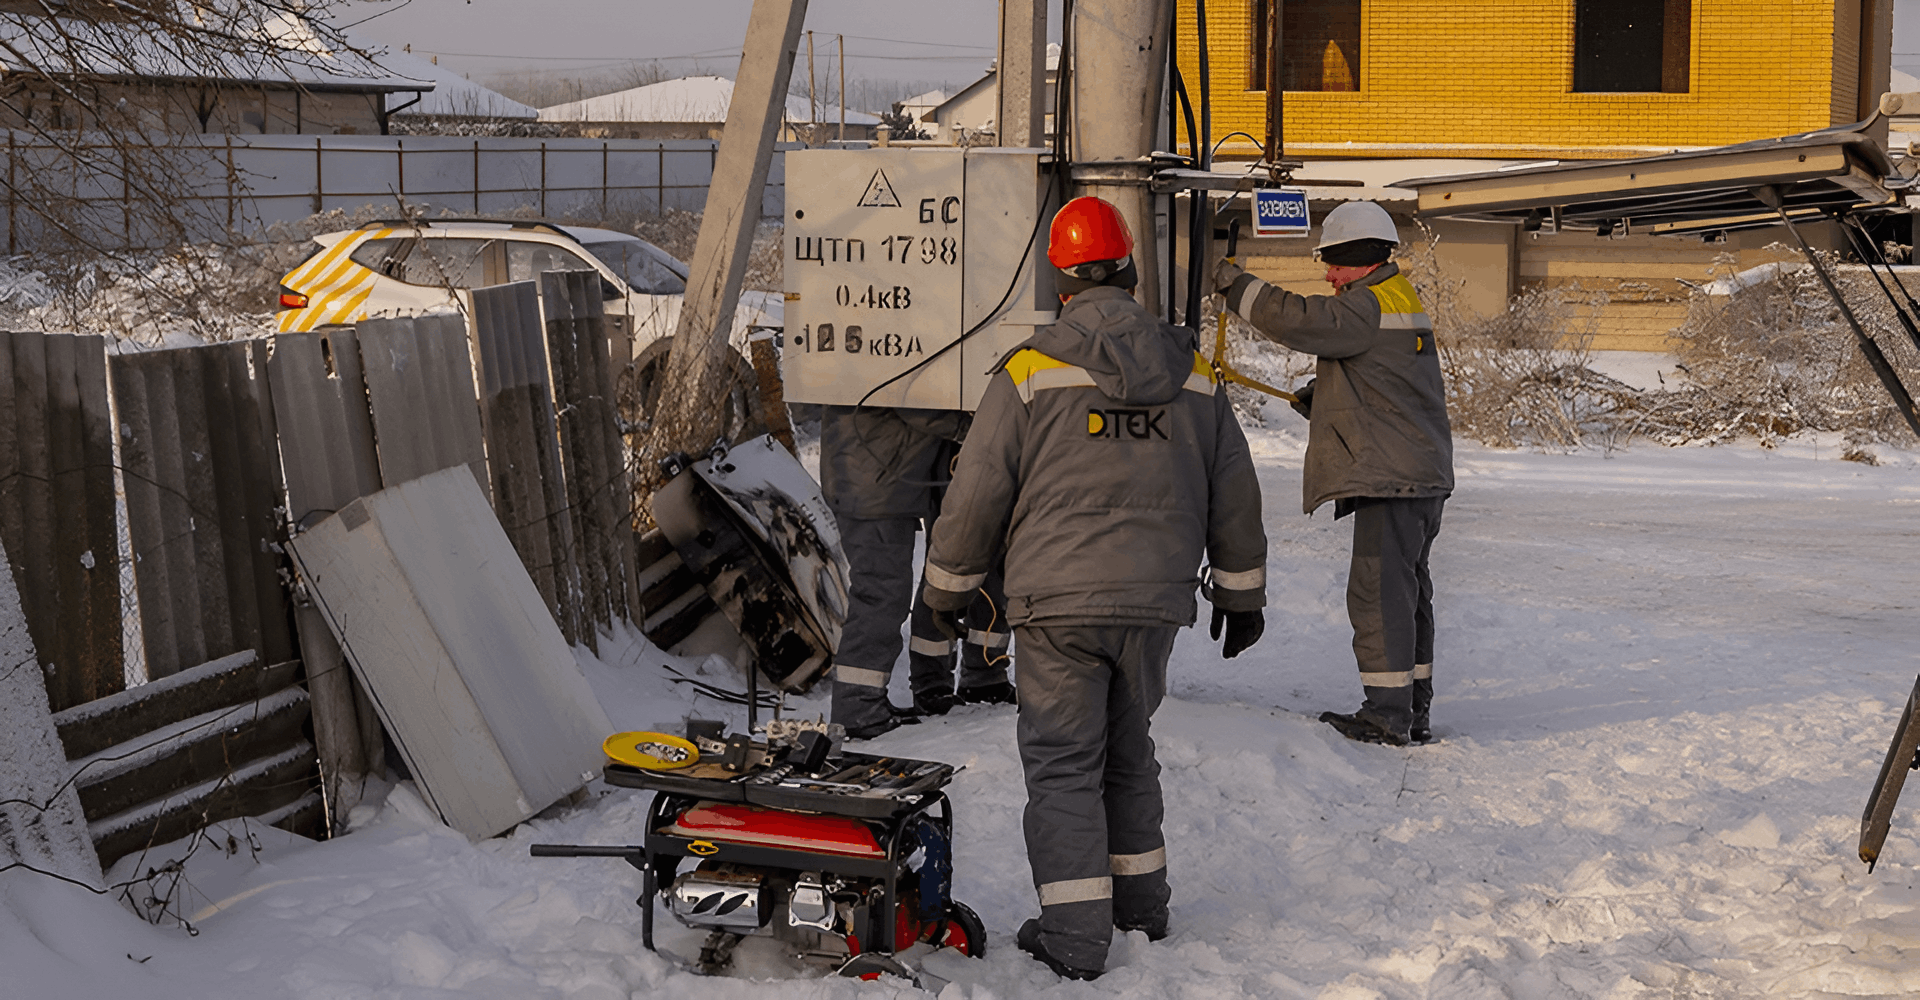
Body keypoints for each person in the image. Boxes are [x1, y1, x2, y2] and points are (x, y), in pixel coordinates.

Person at [922, 196, 1268, 980]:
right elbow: (1234, 490)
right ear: (1133, 272)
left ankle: (1075, 938)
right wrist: (1241, 594)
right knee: (1127, 752)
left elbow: (976, 492)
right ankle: (1139, 911)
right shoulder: (1195, 375)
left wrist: (946, 590)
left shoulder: (1031, 372)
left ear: (1060, 284)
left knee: (1063, 764)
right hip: (1153, 604)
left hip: (1056, 605)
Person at [1212, 199, 1454, 747]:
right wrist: (1333, 397)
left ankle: (1386, 715)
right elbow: (1390, 376)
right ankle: (1411, 708)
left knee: (1378, 595)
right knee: (1407, 593)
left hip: (1393, 479)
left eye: (1335, 264)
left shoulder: (1365, 306)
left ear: (1361, 257)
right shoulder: (1397, 297)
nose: (1329, 276)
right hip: (1418, 474)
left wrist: (1234, 285)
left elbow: (1300, 320)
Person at [821, 406, 1013, 741]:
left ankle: (874, 700)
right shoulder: (879, 376)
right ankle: (857, 708)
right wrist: (972, 426)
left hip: (885, 480)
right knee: (881, 592)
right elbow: (912, 400)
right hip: (873, 483)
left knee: (900, 586)